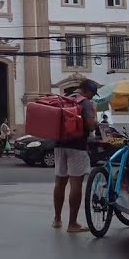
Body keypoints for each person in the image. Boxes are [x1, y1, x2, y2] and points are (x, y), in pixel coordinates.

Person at [54, 79, 98, 233]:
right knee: (76, 184)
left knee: (60, 183)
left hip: (59, 144)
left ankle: (57, 219)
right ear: (87, 91)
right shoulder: (85, 103)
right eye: (92, 94)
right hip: (77, 146)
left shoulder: (63, 98)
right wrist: (95, 115)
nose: (91, 97)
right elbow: (91, 125)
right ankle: (72, 223)